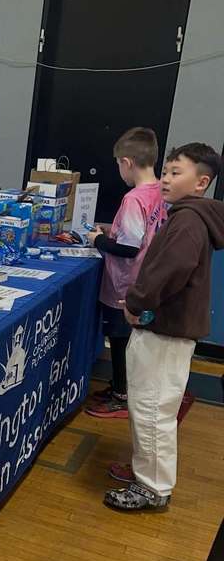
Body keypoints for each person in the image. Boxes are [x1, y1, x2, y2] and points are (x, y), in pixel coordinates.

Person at [103, 142, 224, 513]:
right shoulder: (185, 214)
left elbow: (169, 271)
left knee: (153, 408)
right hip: (165, 327)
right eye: (167, 172)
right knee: (148, 406)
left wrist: (138, 302)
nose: (166, 180)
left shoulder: (188, 220)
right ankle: (147, 471)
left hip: (167, 331)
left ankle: (153, 487)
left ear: (202, 182)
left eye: (177, 173)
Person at [84, 127, 167, 418]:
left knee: (119, 340)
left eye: (118, 164)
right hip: (143, 279)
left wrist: (98, 240)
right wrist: (112, 231)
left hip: (124, 285)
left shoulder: (133, 199)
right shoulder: (160, 190)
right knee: (128, 339)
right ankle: (121, 386)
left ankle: (121, 394)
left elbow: (129, 248)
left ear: (127, 163)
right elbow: (142, 236)